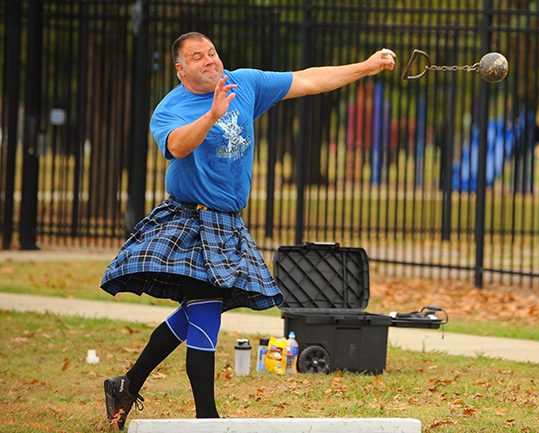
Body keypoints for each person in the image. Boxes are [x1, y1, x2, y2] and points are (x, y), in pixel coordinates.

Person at [99, 31, 395, 430]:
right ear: (180, 69)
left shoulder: (247, 83)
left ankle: (127, 383)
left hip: (228, 222)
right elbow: (178, 146)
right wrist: (212, 115)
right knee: (205, 310)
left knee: (197, 311)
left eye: (212, 52)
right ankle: (208, 419)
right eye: (198, 57)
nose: (210, 60)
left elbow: (307, 79)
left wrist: (367, 66)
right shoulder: (170, 108)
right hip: (189, 219)